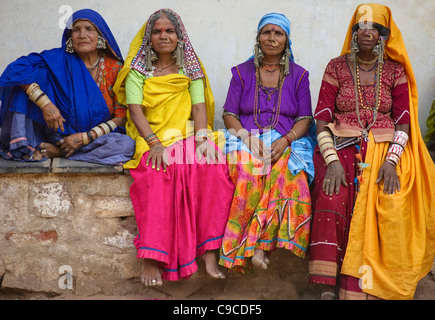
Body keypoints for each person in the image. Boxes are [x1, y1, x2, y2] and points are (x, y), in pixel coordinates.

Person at [308, 3, 435, 300]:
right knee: (333, 194)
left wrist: (391, 163)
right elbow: (323, 118)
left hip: (386, 148)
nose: (367, 31)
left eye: (374, 27)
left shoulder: (395, 71)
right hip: (339, 145)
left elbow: (403, 123)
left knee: (390, 198)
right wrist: (332, 161)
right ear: (354, 31)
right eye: (361, 26)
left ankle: (369, 287)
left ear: (383, 34)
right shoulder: (336, 66)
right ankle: (329, 284)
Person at [113, 8, 234, 286]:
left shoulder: (191, 69)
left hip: (186, 134)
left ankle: (208, 250)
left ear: (179, 37)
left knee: (213, 169)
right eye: (157, 31)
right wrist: (154, 143)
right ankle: (152, 258)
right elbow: (135, 111)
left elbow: (199, 108)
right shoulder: (137, 72)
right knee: (157, 174)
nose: (163, 35)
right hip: (150, 136)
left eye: (169, 30)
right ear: (149, 38)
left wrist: (203, 139)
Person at [218, 13, 315, 272]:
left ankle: (261, 245)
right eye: (267, 32)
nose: (272, 38)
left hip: (285, 140)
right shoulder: (241, 73)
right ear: (258, 37)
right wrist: (247, 137)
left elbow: (305, 118)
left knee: (291, 175)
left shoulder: (299, 76)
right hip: (245, 139)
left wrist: (286, 141)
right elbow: (229, 114)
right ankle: (239, 251)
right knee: (250, 173)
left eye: (278, 33)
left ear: (287, 40)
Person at [0, 9, 134, 165]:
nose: (82, 35)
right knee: (26, 80)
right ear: (70, 37)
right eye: (76, 30)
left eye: (89, 29)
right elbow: (16, 70)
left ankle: (60, 153)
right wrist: (46, 105)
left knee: (127, 146)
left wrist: (84, 138)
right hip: (56, 135)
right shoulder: (58, 60)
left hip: (95, 139)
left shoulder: (115, 68)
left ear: (100, 36)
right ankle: (56, 147)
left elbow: (120, 118)